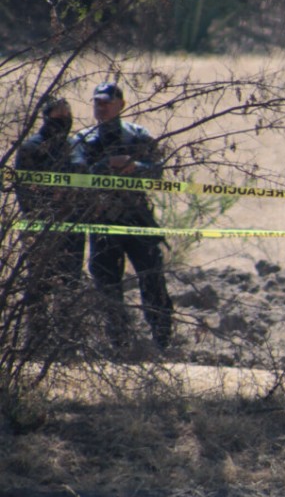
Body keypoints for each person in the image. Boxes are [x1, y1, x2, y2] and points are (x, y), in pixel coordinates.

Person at [71, 82, 173, 351]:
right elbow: (75, 174)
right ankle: (119, 343)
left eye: (106, 102)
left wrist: (134, 166)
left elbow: (157, 171)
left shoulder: (137, 135)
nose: (101, 107)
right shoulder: (83, 139)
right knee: (107, 284)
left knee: (152, 279)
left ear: (121, 105)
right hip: (102, 219)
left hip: (137, 218)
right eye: (97, 102)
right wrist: (105, 166)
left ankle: (162, 339)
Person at [14, 97, 86, 352]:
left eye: (67, 115)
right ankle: (36, 342)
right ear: (46, 117)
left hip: (72, 226)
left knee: (69, 284)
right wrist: (48, 200)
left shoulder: (75, 146)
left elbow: (84, 178)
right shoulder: (31, 147)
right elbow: (24, 189)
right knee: (39, 285)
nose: (63, 120)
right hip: (41, 226)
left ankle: (65, 345)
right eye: (58, 115)